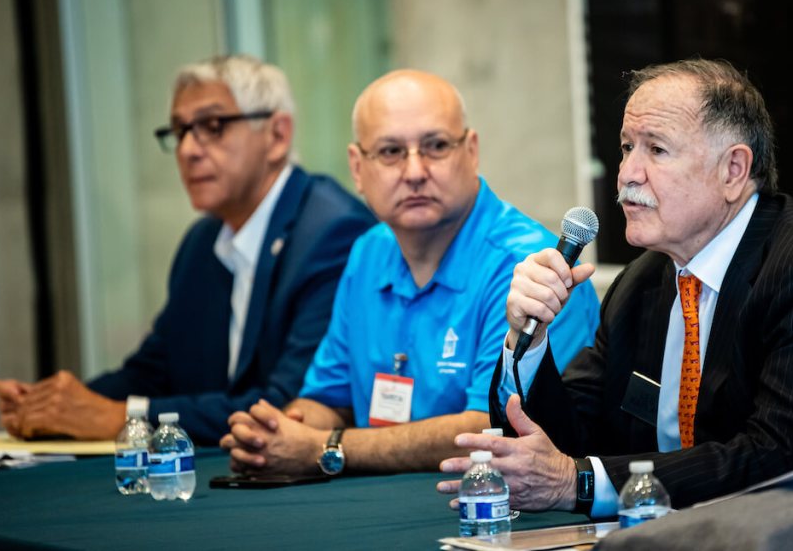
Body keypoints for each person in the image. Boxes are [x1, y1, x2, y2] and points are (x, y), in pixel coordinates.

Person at [438, 58, 793, 515]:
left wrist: (582, 483)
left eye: (656, 150)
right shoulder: (645, 281)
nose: (627, 175)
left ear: (733, 170)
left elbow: (782, 460)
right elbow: (571, 440)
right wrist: (528, 340)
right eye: (626, 147)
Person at [220, 69, 599, 476]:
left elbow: (490, 427)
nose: (415, 171)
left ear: (471, 151)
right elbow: (330, 400)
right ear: (357, 167)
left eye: (435, 146)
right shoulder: (368, 251)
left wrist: (325, 448)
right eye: (390, 151)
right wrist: (276, 433)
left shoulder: (530, 267)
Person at [0, 55, 374, 444]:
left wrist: (121, 418)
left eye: (213, 127)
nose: (189, 149)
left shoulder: (334, 233)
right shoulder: (202, 241)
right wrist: (55, 406)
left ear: (277, 135)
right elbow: (154, 370)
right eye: (180, 131)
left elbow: (288, 407)